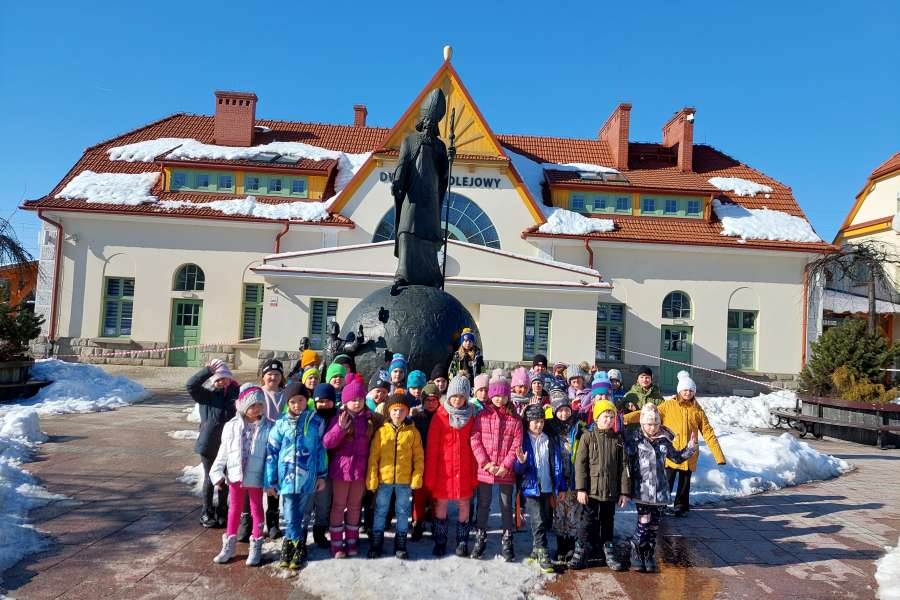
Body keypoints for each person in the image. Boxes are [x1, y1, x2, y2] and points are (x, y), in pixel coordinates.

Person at [626, 372, 726, 517]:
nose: (688, 393)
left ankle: (681, 506)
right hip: (671, 451)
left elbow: (708, 432)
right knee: (666, 481)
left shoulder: (697, 410)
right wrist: (625, 418)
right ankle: (662, 505)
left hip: (689, 453)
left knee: (685, 483)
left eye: (691, 390)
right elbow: (647, 414)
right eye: (685, 390)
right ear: (679, 390)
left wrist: (719, 456)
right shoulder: (668, 405)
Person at [624, 403, 697, 573]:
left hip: (660, 490)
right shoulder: (635, 440)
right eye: (649, 424)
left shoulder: (664, 440)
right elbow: (626, 462)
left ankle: (648, 553)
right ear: (643, 423)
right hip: (642, 489)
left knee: (654, 526)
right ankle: (636, 552)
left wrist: (690, 448)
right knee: (644, 522)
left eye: (656, 424)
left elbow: (676, 458)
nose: (653, 427)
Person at [266, 383, 328, 571]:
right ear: (288, 403)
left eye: (300, 400)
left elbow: (321, 450)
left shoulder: (316, 421)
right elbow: (272, 452)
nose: (297, 405)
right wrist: (271, 480)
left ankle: (295, 545)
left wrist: (321, 475)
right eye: (292, 402)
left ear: (306, 400)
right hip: (286, 479)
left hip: (307, 479)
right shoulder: (281, 423)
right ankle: (293, 544)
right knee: (290, 513)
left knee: (302, 515)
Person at [210, 385, 273, 567]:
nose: (257, 409)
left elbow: (272, 457)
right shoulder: (231, 426)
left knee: (256, 509)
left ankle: (256, 546)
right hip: (235, 475)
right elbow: (223, 451)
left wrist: (270, 480)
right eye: (253, 405)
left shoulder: (269, 427)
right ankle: (229, 546)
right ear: (243, 406)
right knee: (234, 509)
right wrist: (216, 473)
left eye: (260, 405)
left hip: (256, 476)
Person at [323, 375, 379, 558]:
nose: (357, 403)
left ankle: (352, 540)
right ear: (345, 401)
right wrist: (339, 429)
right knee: (339, 506)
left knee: (355, 506)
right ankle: (336, 543)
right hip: (341, 470)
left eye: (360, 399)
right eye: (353, 400)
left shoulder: (369, 419)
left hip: (360, 471)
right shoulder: (339, 418)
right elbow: (327, 442)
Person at [573, 399, 630, 571]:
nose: (609, 420)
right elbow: (580, 464)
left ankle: (608, 549)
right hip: (591, 490)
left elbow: (624, 467)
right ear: (597, 418)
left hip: (610, 491)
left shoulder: (618, 440)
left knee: (607, 521)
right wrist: (581, 488)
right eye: (605, 416)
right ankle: (581, 549)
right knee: (587, 521)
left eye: (612, 417)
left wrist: (624, 491)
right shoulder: (587, 437)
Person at [470, 377, 523, 561]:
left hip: (505, 470)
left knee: (506, 505)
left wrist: (506, 465)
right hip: (486, 468)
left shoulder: (515, 419)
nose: (500, 399)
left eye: (503, 396)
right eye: (496, 395)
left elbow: (517, 443)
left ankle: (507, 538)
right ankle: (480, 535)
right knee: (483, 503)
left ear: (508, 396)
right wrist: (485, 463)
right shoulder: (482, 415)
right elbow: (475, 439)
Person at [366, 394, 425, 559]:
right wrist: (372, 477)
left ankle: (401, 543)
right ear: (389, 412)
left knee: (402, 511)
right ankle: (376, 542)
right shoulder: (381, 432)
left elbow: (419, 457)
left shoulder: (413, 433)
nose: (398, 414)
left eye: (402, 410)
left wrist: (417, 476)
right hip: (384, 480)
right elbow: (373, 457)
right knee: (380, 510)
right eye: (394, 410)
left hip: (404, 481)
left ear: (407, 412)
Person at [425, 375, 478, 556]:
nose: (457, 400)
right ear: (448, 396)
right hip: (444, 471)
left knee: (465, 503)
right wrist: (430, 476)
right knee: (441, 504)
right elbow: (432, 450)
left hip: (464, 469)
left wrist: (474, 474)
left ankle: (462, 540)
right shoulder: (440, 417)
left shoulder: (471, 417)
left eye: (461, 396)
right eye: (454, 396)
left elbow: (474, 448)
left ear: (466, 398)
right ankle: (440, 539)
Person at [186, 359, 238, 529]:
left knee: (225, 477)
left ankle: (222, 510)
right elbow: (190, 385)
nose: (222, 382)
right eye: (218, 379)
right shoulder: (207, 395)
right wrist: (207, 371)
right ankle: (206, 512)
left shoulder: (236, 394)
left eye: (225, 378)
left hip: (229, 444)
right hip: (209, 444)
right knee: (210, 477)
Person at [515, 405, 566, 573]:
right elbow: (517, 470)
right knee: (538, 519)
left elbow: (557, 464)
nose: (539, 425)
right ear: (528, 422)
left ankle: (536, 549)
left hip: (547, 486)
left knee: (544, 518)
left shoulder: (549, 439)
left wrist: (560, 486)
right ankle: (543, 551)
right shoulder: (523, 439)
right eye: (535, 421)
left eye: (542, 421)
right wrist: (521, 462)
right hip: (531, 487)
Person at [546, 392, 588, 568]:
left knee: (573, 512)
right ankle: (561, 545)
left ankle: (571, 545)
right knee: (559, 512)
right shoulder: (550, 427)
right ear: (555, 411)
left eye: (566, 409)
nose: (564, 414)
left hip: (574, 477)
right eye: (560, 410)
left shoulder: (577, 427)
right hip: (557, 478)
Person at [306, 382, 339, 549]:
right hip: (309, 468)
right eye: (320, 401)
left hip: (329, 468)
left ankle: (319, 532)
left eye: (328, 401)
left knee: (324, 503)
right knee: (307, 503)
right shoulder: (310, 418)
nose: (324, 404)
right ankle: (301, 535)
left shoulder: (338, 418)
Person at [258, 358, 286, 539]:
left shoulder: (286, 394)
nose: (273, 377)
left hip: (279, 445)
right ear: (263, 376)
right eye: (269, 374)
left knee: (273, 481)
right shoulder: (258, 393)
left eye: (276, 374)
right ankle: (251, 520)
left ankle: (273, 521)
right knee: (255, 481)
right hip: (260, 443)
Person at [411, 382, 441, 541]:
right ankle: (418, 522)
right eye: (428, 400)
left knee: (436, 495)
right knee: (419, 495)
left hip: (437, 462)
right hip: (420, 461)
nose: (431, 403)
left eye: (434, 400)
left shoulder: (443, 417)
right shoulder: (416, 418)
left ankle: (437, 522)